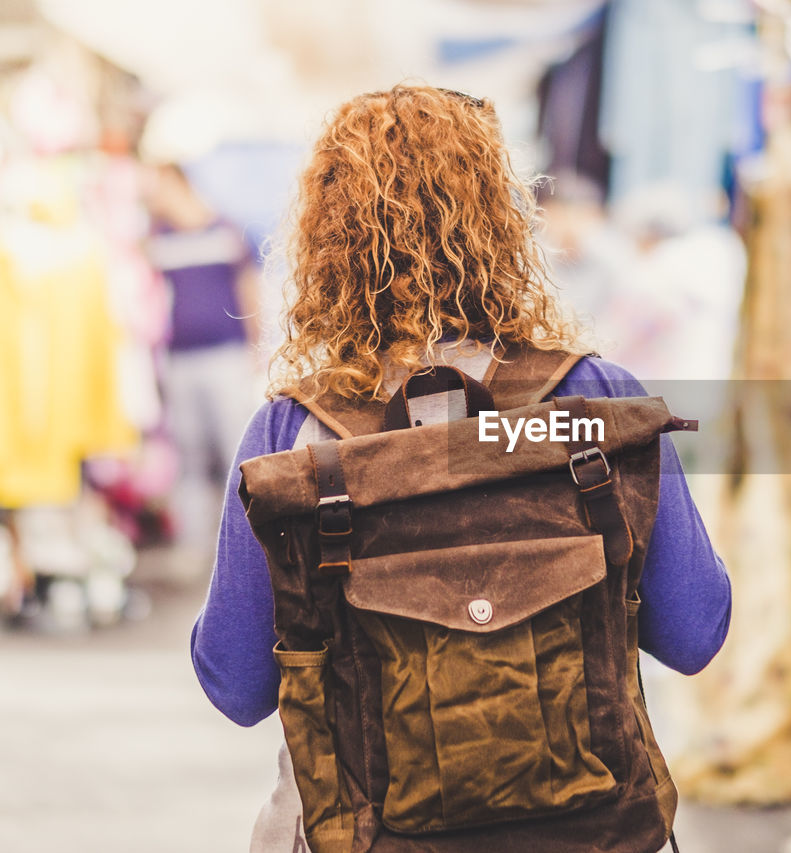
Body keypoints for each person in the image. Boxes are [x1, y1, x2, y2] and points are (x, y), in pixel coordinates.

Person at [190, 84, 731, 851]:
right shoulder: (597, 398)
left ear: (327, 243)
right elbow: (696, 630)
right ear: (503, 224)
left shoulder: (291, 433)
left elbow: (235, 682)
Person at [143, 162, 261, 573]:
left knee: (235, 451)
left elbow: (249, 289)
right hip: (178, 362)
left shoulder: (225, 230)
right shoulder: (156, 239)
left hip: (225, 358)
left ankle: (247, 548)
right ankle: (193, 548)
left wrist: (256, 347)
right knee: (187, 455)